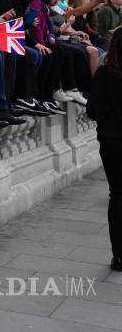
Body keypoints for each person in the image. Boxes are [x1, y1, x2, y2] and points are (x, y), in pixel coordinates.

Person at [86, 28, 122, 272]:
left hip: (112, 141)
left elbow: (92, 110)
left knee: (117, 195)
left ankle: (118, 255)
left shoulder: (104, 73)